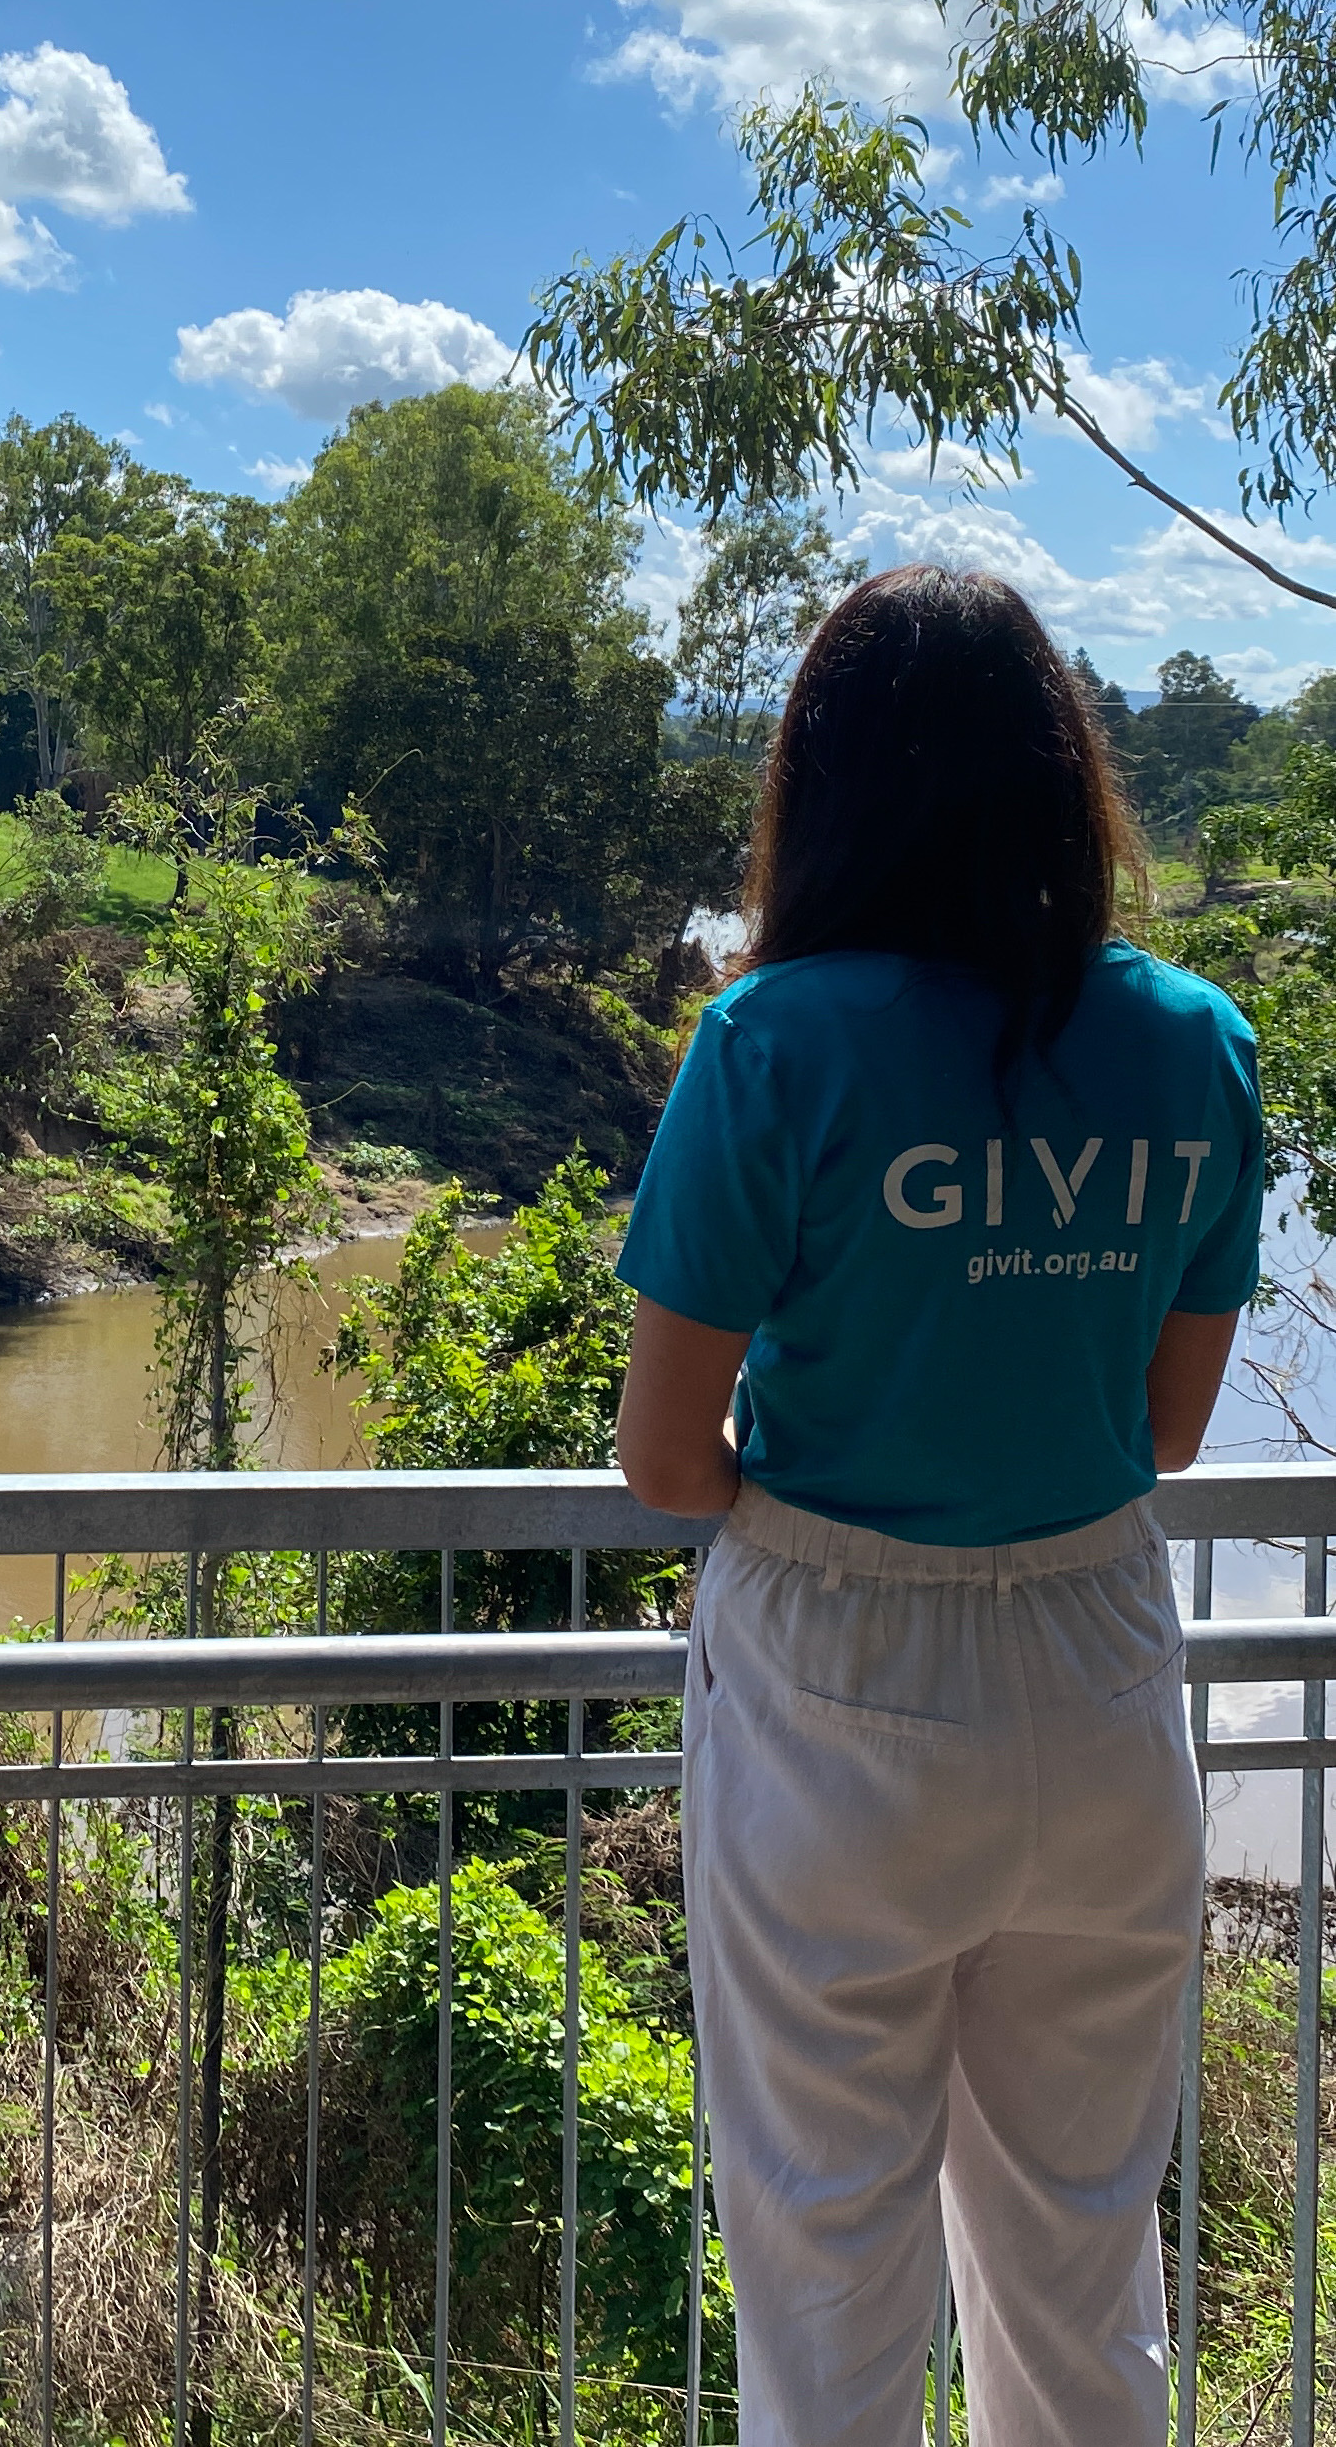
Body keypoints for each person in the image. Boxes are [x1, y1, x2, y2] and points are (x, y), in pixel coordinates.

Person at [614, 565, 1260, 2447]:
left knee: (828, 2283)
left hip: (837, 1680)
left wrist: (836, 1513)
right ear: (1065, 776)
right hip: (1106, 1668)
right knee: (1080, 2277)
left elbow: (666, 1462)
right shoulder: (1193, 1043)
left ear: (828, 784)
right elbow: (1167, 1431)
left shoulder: (772, 1045)